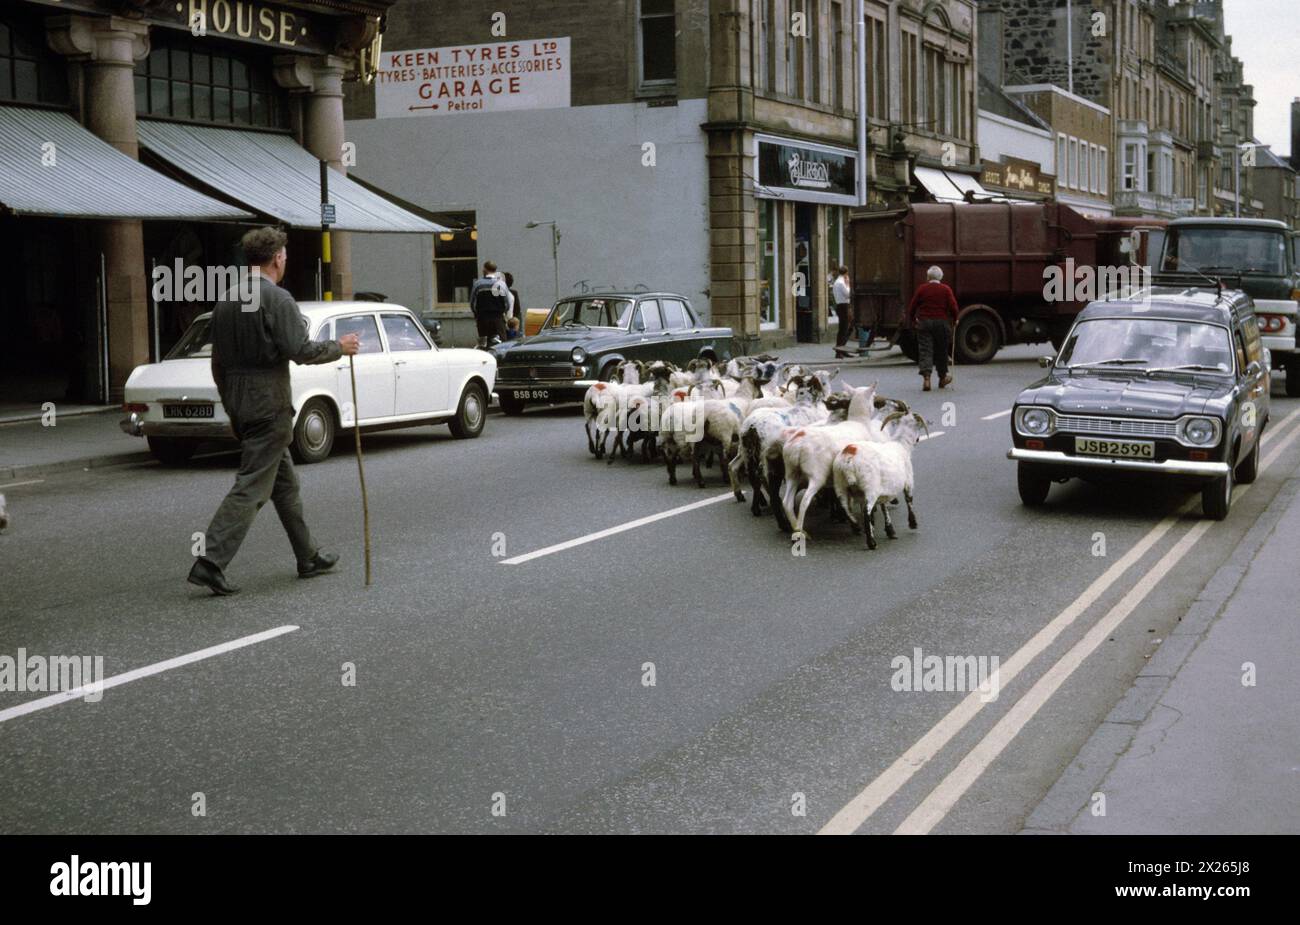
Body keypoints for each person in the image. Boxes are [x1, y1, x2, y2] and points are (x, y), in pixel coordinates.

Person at [186, 227, 360, 596]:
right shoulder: (276, 298)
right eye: (285, 256)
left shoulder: (227, 299)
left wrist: (233, 408)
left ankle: (307, 555)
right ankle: (210, 560)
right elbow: (300, 349)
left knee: (285, 486)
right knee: (251, 486)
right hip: (270, 403)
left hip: (241, 402)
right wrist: (339, 347)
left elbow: (218, 365)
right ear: (277, 258)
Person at [904, 265, 959, 391]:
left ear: (928, 277)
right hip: (941, 323)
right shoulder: (946, 289)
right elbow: (953, 306)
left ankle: (927, 379)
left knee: (925, 350)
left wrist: (913, 320)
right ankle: (942, 377)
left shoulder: (922, 289)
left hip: (924, 322)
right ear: (941, 277)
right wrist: (955, 318)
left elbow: (912, 306)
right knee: (942, 350)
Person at [470, 261, 510, 348]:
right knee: (501, 343)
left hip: (483, 318)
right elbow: (507, 303)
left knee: (483, 344)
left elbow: (473, 303)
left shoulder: (478, 284)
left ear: (485, 269)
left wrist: (476, 315)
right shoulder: (501, 284)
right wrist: (503, 312)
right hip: (498, 318)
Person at [831, 265, 853, 358]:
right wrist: (848, 284)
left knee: (845, 328)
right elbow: (848, 294)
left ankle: (842, 349)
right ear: (846, 273)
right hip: (843, 305)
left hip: (841, 305)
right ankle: (839, 351)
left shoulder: (837, 282)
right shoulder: (841, 283)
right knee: (843, 329)